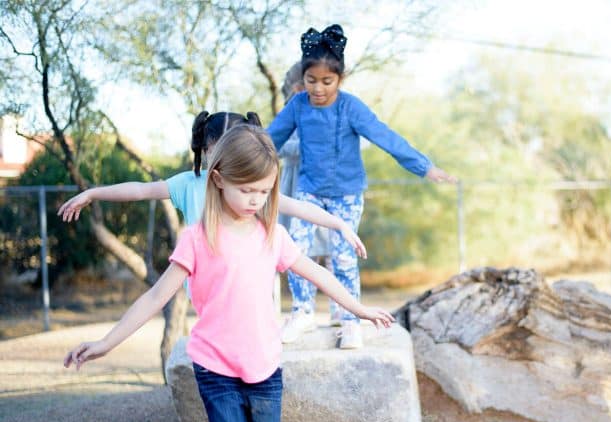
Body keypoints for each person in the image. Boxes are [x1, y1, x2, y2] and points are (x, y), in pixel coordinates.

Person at [62, 124, 395, 422]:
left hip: (265, 368)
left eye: (265, 190)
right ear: (218, 179)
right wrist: (105, 343)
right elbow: (156, 296)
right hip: (217, 368)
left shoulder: (272, 235)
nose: (257, 199)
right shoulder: (198, 238)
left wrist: (359, 309)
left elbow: (317, 273)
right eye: (247, 190)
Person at [267, 24, 457, 349]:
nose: (318, 89)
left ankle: (349, 318)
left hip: (346, 195)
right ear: (304, 79)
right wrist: (237, 161)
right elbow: (270, 139)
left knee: (343, 256)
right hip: (309, 191)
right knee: (294, 248)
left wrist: (424, 167)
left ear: (340, 79)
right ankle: (302, 311)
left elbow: (385, 137)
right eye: (311, 81)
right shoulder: (298, 105)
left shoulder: (351, 107)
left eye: (327, 82)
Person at [57, 111, 366, 259]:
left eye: (230, 154)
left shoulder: (251, 190)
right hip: (208, 283)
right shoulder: (190, 184)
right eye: (215, 152)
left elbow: (297, 206)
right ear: (203, 151)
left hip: (246, 281)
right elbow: (140, 189)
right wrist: (93, 192)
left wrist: (339, 224)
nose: (222, 162)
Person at [277, 61, 340, 326]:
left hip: (326, 189)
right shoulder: (291, 115)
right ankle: (303, 309)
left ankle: (340, 309)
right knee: (302, 251)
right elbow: (277, 147)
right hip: (296, 189)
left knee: (334, 249)